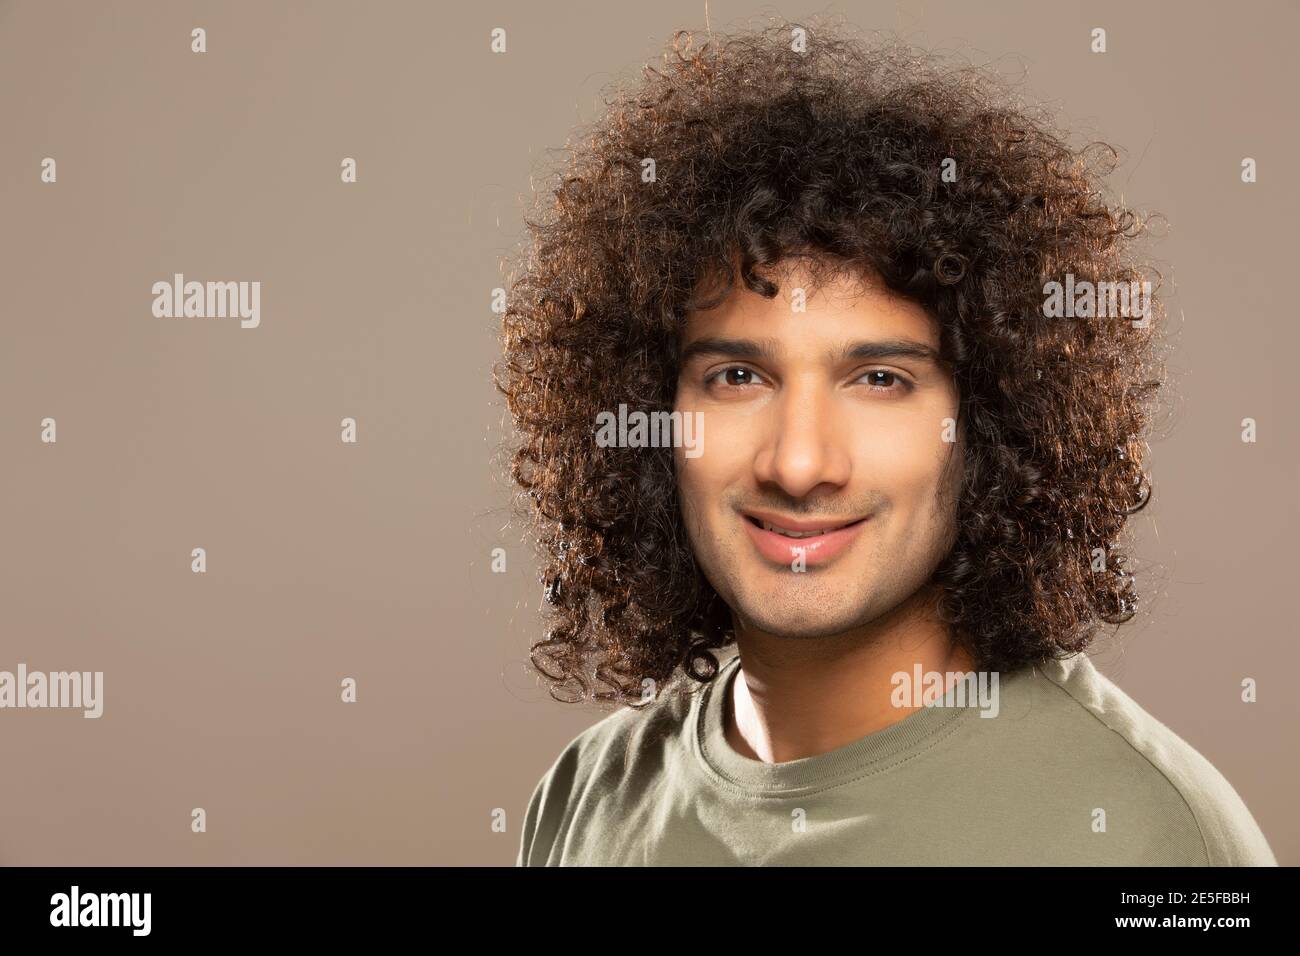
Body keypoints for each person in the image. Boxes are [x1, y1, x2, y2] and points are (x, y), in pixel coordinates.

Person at [496, 17, 1277, 866]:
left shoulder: (1148, 838)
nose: (799, 464)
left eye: (879, 381)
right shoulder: (585, 801)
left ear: (987, 426)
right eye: (737, 378)